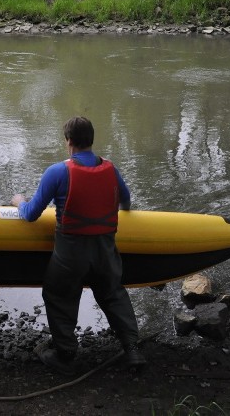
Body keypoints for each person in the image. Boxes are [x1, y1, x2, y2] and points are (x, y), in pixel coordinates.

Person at [11, 116, 145, 375]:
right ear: (91, 141)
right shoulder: (111, 169)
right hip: (105, 251)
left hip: (70, 255)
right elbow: (126, 202)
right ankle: (132, 349)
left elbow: (30, 214)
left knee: (59, 294)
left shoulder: (57, 172)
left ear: (68, 141)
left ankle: (65, 354)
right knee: (113, 293)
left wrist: (18, 201)